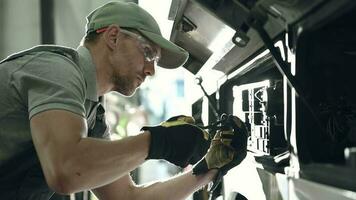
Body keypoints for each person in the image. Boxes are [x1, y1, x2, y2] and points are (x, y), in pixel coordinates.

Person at [0, 1, 247, 199]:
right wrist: (159, 141)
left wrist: (209, 168)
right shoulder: (56, 71)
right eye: (148, 53)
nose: (151, 70)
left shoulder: (92, 114)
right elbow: (66, 170)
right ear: (114, 37)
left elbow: (127, 197)